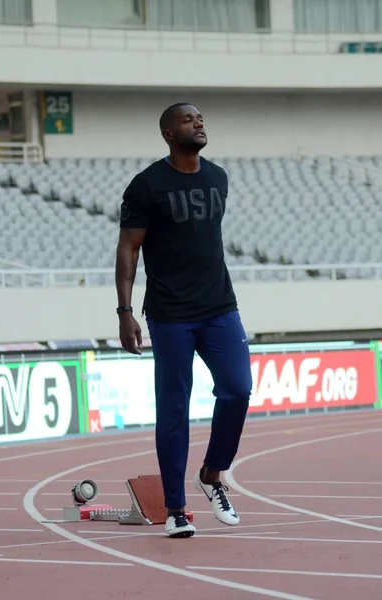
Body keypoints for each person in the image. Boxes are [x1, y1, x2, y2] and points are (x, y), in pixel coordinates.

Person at [115, 102, 252, 539]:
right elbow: (129, 249)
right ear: (168, 134)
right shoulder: (146, 186)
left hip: (219, 309)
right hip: (170, 314)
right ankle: (176, 508)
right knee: (173, 411)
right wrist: (125, 311)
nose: (199, 122)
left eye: (201, 118)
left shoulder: (218, 177)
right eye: (188, 119)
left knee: (237, 388)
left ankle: (212, 475)